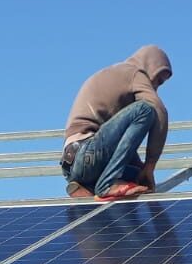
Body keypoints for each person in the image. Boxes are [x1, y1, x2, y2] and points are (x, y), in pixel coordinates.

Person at [61, 45, 173, 201]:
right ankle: (107, 183)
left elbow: (122, 143)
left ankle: (86, 185)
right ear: (150, 66)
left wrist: (142, 170)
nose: (156, 87)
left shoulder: (116, 75)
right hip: (87, 151)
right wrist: (151, 164)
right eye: (158, 80)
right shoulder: (134, 73)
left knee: (137, 176)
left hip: (72, 165)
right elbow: (159, 110)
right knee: (145, 110)